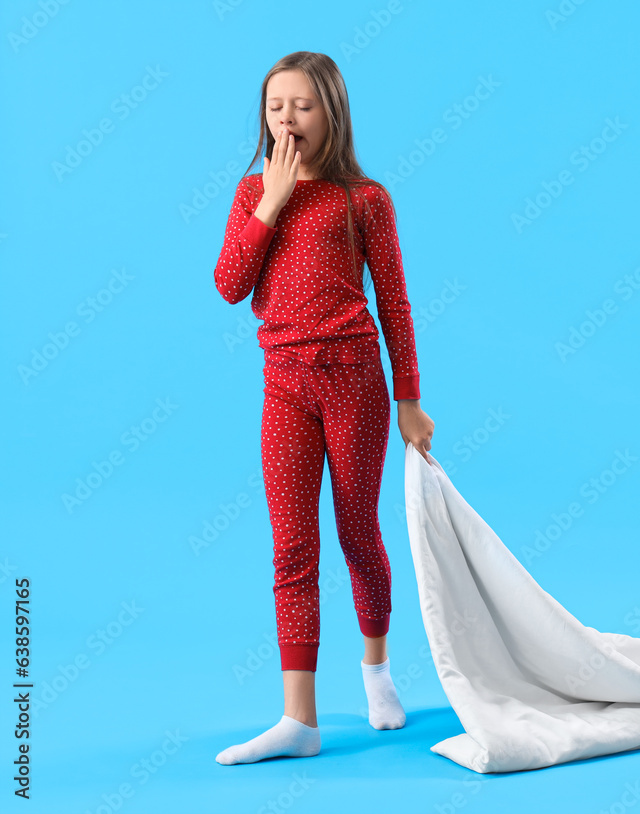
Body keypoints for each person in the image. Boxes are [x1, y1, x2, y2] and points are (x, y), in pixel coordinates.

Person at [212, 51, 434, 765]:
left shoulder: (363, 199)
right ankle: (298, 720)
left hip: (354, 383)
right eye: (276, 106)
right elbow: (229, 285)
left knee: (358, 533)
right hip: (285, 386)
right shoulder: (252, 195)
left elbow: (394, 302)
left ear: (330, 113)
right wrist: (271, 206)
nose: (286, 118)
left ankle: (376, 670)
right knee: (292, 547)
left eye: (302, 106)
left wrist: (409, 400)